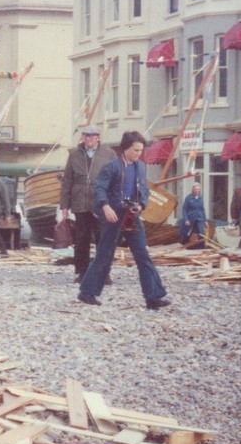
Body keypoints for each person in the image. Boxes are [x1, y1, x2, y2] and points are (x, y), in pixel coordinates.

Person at [78, 131, 169, 310]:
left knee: (143, 255)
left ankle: (153, 297)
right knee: (104, 255)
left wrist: (141, 205)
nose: (139, 154)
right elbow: (100, 189)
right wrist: (105, 206)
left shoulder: (141, 167)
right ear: (126, 148)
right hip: (114, 215)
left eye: (141, 150)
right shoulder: (111, 167)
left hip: (132, 216)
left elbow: (144, 190)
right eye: (135, 150)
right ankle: (87, 292)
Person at [60, 125, 113, 284]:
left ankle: (104, 273)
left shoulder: (108, 154)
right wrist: (64, 205)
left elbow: (115, 179)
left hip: (101, 202)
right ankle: (82, 272)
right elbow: (67, 180)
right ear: (82, 137)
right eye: (86, 136)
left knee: (102, 239)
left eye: (92, 136)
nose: (88, 139)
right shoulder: (74, 154)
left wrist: (112, 202)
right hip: (80, 201)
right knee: (81, 239)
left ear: (98, 137)